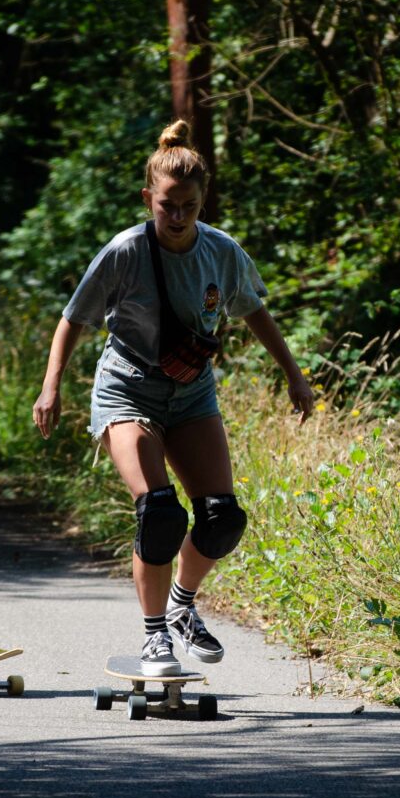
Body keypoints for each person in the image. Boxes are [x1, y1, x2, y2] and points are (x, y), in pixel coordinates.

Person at [33, 121, 314, 676]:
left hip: (191, 395)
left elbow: (254, 310)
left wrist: (294, 374)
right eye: (168, 205)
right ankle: (154, 633)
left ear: (202, 200)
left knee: (221, 518)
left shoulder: (221, 252)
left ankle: (184, 605)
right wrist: (51, 385)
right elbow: (74, 318)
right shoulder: (126, 251)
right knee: (159, 513)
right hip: (126, 389)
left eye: (189, 205)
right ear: (148, 199)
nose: (179, 216)